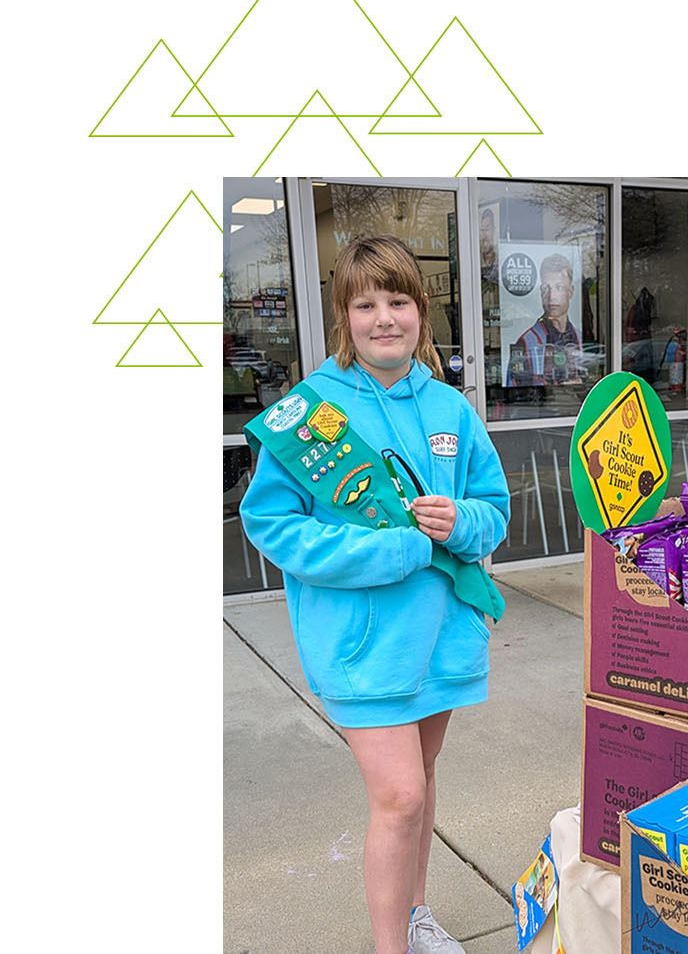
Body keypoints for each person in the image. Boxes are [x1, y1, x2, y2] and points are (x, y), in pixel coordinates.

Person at [241, 234, 510, 954]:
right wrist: (389, 549)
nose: (384, 317)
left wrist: (463, 521)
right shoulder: (310, 412)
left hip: (442, 638)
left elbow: (494, 506)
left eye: (398, 300)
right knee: (400, 796)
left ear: (422, 311)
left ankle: (417, 915)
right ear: (344, 316)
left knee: (420, 779)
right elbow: (270, 520)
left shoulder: (452, 408)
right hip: (361, 648)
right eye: (366, 303)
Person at [508, 252, 583, 387]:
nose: (551, 296)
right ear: (541, 293)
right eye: (546, 288)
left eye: (558, 287)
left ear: (570, 292)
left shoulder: (581, 339)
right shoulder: (526, 342)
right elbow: (515, 395)